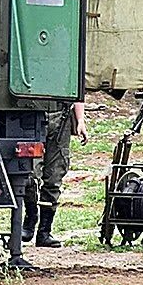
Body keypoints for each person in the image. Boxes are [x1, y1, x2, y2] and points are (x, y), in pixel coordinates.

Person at [21, 100, 88, 247]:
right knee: (29, 175)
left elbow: (77, 87)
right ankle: (30, 218)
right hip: (32, 113)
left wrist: (80, 120)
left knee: (54, 176)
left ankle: (44, 231)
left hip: (61, 117)